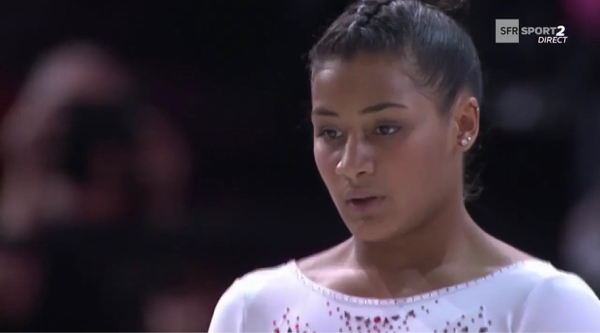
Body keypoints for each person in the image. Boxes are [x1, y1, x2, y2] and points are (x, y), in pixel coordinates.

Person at [208, 0, 600, 332]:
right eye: (329, 132)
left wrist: (533, 44)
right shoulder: (252, 309)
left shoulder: (548, 306)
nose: (350, 165)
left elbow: (550, 35)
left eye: (385, 128)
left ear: (464, 125)